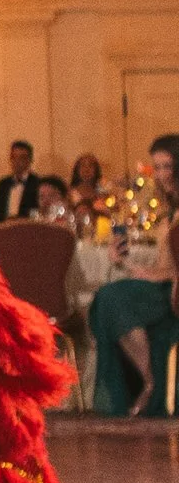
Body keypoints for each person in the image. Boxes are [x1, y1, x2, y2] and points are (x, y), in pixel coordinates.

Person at [90, 133, 179, 415]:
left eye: (167, 166)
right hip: (163, 283)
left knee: (112, 299)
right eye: (158, 167)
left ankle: (151, 385)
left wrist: (153, 276)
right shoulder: (170, 209)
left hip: (174, 291)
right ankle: (149, 381)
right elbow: (164, 264)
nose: (163, 174)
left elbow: (172, 269)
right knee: (108, 299)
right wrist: (124, 263)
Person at [0, 140, 41, 223]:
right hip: (5, 230)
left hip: (27, 230)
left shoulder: (37, 183)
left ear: (30, 160)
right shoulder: (3, 183)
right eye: (14, 157)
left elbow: (37, 213)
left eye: (22, 158)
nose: (17, 161)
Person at [67, 152, 103, 233]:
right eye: (83, 166)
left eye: (90, 166)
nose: (86, 170)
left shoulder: (102, 194)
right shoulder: (70, 193)